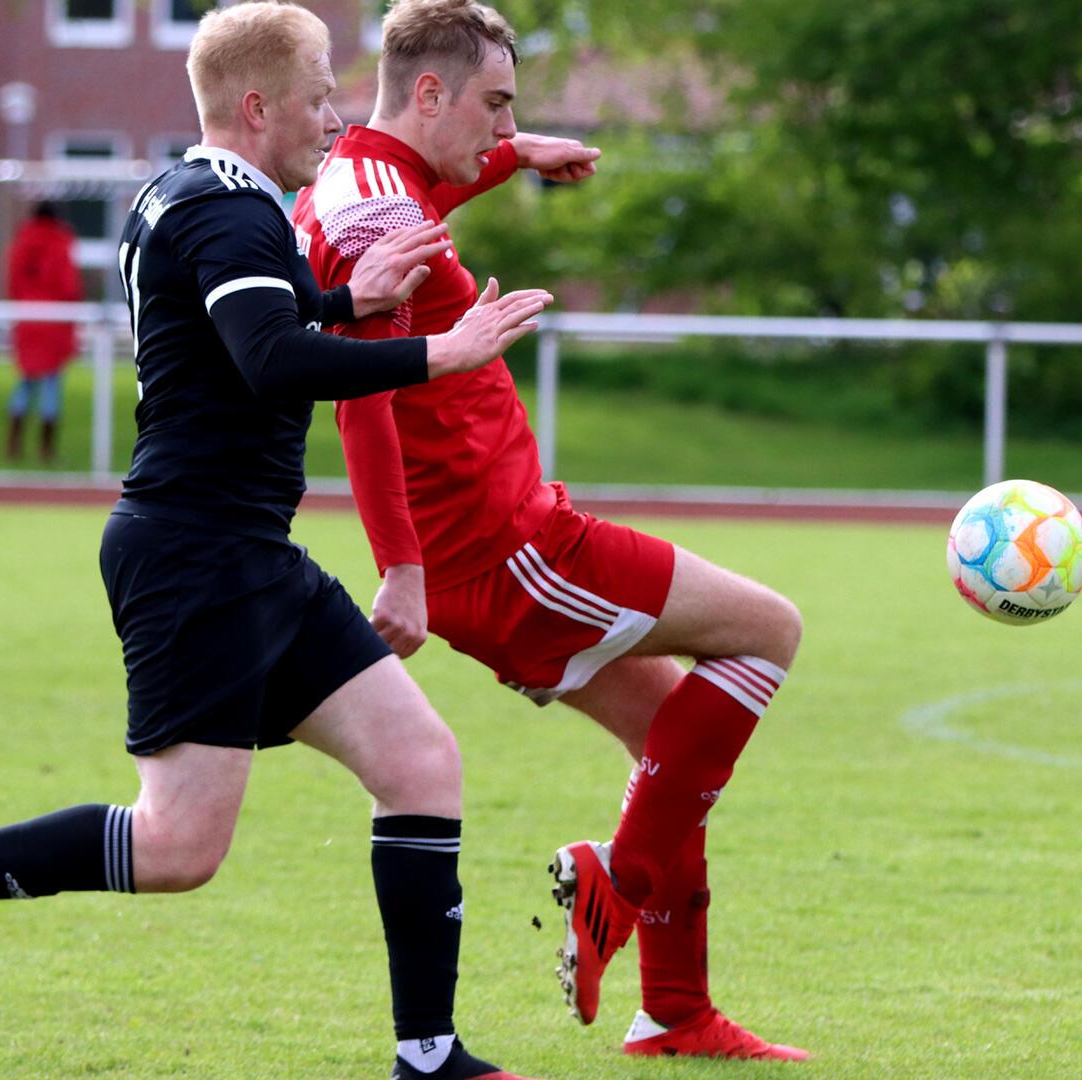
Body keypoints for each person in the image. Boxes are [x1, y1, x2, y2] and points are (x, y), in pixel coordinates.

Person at [0, 5, 554, 1078]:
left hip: (249, 553)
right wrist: (439, 352)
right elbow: (268, 360)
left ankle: (430, 1057)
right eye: (318, 99)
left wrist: (354, 295)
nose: (334, 118)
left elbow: (260, 327)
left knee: (419, 760)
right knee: (175, 850)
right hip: (197, 557)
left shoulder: (198, 195)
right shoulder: (226, 214)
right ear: (258, 107)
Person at [294, 0, 810, 1062]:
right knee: (768, 633)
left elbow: (444, 174)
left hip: (490, 554)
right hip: (512, 549)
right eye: (495, 102)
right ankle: (614, 885)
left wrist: (523, 153)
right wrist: (400, 571)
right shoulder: (381, 218)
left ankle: (674, 1011)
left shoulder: (366, 173)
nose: (500, 124)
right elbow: (364, 400)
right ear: (430, 92)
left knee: (673, 742)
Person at [5, 201, 83, 464]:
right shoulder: (61, 242)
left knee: (25, 380)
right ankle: (45, 450)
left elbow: (12, 282)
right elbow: (69, 285)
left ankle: (13, 445)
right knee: (51, 382)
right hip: (54, 322)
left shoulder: (21, 240)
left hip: (27, 319)